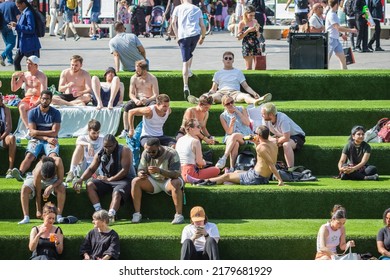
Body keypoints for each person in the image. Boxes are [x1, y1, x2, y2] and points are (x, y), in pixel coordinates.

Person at [187, 125, 285, 186]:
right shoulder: (273, 143)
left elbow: (271, 164)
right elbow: (263, 158)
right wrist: (256, 143)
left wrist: (280, 180)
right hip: (259, 174)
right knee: (237, 171)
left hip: (257, 177)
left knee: (226, 176)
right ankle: (229, 182)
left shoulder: (261, 148)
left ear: (259, 135)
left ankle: (200, 182)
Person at [73, 134, 135, 225]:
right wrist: (81, 179)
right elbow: (91, 169)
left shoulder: (125, 150)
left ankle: (110, 216)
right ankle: (100, 213)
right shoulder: (101, 153)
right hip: (108, 179)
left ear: (115, 144)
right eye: (105, 146)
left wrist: (110, 179)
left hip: (124, 179)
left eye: (110, 146)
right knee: (90, 184)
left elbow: (125, 171)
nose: (107, 149)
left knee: (117, 192)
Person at [131, 137, 184, 224]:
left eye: (153, 151)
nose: (151, 153)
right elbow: (140, 169)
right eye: (149, 152)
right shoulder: (146, 153)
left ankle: (179, 215)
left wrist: (160, 171)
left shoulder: (171, 153)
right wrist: (141, 173)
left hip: (169, 181)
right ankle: (137, 214)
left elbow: (176, 174)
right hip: (154, 181)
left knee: (176, 182)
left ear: (159, 147)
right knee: (135, 181)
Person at [12, 90, 61, 182]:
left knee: (53, 156)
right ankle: (20, 172)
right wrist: (46, 137)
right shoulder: (33, 112)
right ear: (40, 99)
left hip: (51, 139)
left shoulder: (56, 113)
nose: (45, 101)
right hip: (40, 139)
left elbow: (54, 132)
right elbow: (32, 133)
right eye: (43, 98)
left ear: (50, 100)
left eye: (47, 99)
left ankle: (53, 176)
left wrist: (37, 132)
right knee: (30, 155)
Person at [195, 51, 271, 106]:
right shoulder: (217, 73)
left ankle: (256, 102)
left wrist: (254, 93)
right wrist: (208, 94)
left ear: (233, 60)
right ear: (223, 60)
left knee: (246, 96)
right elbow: (213, 89)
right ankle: (200, 100)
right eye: (226, 58)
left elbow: (246, 86)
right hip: (221, 93)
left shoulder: (238, 72)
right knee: (212, 97)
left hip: (235, 93)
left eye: (230, 58)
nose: (228, 60)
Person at [171, 0, 206, 99]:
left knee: (185, 61)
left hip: (183, 36)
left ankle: (185, 85)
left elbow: (173, 23)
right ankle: (189, 71)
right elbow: (202, 25)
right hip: (195, 34)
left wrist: (177, 35)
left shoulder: (178, 8)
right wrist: (203, 37)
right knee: (189, 54)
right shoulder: (196, 8)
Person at [18, 156, 66, 225]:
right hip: (35, 178)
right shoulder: (38, 171)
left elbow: (60, 179)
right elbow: (38, 192)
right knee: (24, 188)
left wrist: (51, 186)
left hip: (54, 180)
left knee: (62, 188)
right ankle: (26, 217)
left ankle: (58, 216)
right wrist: (38, 210)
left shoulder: (58, 161)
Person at [119, 59, 159, 138]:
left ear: (144, 70)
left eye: (138, 71)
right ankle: (126, 130)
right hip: (137, 99)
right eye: (136, 70)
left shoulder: (152, 78)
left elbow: (156, 95)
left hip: (149, 99)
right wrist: (136, 100)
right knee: (127, 106)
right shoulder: (134, 78)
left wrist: (147, 100)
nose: (136, 72)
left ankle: (149, 130)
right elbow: (131, 93)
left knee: (152, 108)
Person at [261, 103, 305, 170]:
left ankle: (291, 169)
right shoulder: (265, 120)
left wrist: (275, 141)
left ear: (271, 115)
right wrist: (271, 141)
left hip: (296, 136)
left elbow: (286, 138)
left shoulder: (283, 119)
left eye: (263, 114)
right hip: (280, 135)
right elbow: (267, 135)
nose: (262, 115)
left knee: (286, 144)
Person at [214, 95, 252, 170]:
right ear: (224, 105)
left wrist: (238, 112)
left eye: (232, 102)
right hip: (230, 136)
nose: (231, 105)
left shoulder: (241, 108)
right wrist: (231, 124)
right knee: (235, 144)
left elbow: (247, 123)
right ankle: (232, 168)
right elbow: (228, 132)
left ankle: (224, 158)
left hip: (244, 135)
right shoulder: (223, 116)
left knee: (234, 136)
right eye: (228, 104)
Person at [11, 55, 47, 129]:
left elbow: (43, 93)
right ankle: (28, 128)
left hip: (38, 98)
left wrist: (36, 103)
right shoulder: (24, 75)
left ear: (36, 65)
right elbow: (14, 89)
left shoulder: (41, 76)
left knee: (34, 109)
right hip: (27, 98)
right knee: (21, 107)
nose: (28, 65)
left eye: (30, 64)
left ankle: (36, 128)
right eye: (27, 63)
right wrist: (13, 78)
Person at [65, 119, 104, 183]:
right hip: (83, 165)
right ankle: (71, 171)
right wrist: (88, 144)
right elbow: (77, 142)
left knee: (97, 169)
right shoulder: (82, 138)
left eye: (98, 133)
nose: (96, 135)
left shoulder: (102, 138)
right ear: (88, 131)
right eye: (93, 133)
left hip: (95, 167)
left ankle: (91, 179)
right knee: (79, 146)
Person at [8, 0, 41, 71]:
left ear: (23, 4)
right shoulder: (24, 13)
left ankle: (31, 80)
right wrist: (14, 26)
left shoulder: (28, 13)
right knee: (16, 61)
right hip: (23, 44)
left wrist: (17, 26)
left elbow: (31, 29)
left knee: (32, 66)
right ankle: (19, 79)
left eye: (19, 6)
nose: (18, 8)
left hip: (30, 44)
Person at [326, 0, 358, 69]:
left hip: (335, 39)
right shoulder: (331, 14)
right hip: (331, 39)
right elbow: (338, 28)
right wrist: (351, 30)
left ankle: (344, 75)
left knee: (343, 58)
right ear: (336, 4)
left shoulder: (334, 13)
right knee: (326, 59)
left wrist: (341, 35)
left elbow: (335, 28)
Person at [237, 5, 262, 70]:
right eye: (250, 15)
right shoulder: (242, 23)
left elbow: (258, 36)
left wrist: (257, 30)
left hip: (256, 44)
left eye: (254, 15)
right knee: (249, 67)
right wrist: (247, 31)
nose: (252, 17)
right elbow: (239, 38)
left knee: (259, 67)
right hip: (247, 45)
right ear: (245, 14)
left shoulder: (255, 21)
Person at [0, 92, 17, 179]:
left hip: (3, 137)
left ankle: (10, 169)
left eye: (1, 99)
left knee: (12, 138)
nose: (1, 101)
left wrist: (1, 137)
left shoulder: (6, 109)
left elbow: (9, 127)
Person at [0, 0, 20, 66]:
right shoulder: (13, 4)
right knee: (12, 44)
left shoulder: (1, 5)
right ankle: (2, 55)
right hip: (11, 26)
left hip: (2, 27)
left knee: (7, 44)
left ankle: (10, 60)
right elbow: (18, 16)